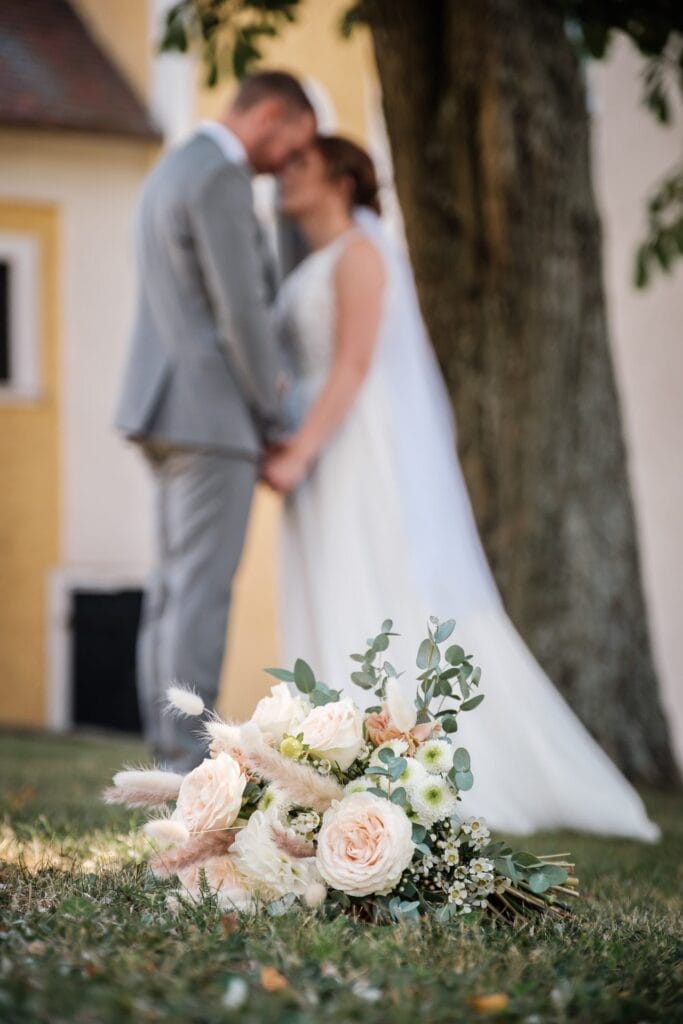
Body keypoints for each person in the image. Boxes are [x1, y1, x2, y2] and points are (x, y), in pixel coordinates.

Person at [262, 135, 659, 840]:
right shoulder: (312, 264)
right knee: (329, 583)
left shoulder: (358, 254)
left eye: (301, 165)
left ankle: (396, 754)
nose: (284, 176)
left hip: (355, 449)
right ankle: (329, 754)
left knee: (372, 587)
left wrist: (298, 453)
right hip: (319, 447)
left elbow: (352, 365)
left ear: (342, 180)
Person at [115, 71, 316, 772]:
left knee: (173, 587)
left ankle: (163, 745)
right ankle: (181, 761)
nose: (293, 157)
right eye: (296, 138)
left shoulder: (173, 167)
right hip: (209, 417)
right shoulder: (221, 179)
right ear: (268, 115)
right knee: (198, 592)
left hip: (160, 406)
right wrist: (274, 410)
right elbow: (243, 314)